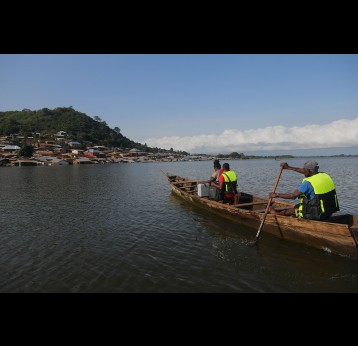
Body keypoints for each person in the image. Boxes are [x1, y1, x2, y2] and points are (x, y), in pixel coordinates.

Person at [269, 160, 340, 220]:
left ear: (309, 171)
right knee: (297, 205)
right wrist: (288, 167)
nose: (303, 171)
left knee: (291, 211)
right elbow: (303, 171)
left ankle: (276, 214)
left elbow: (292, 196)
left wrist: (277, 195)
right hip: (328, 210)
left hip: (316, 213)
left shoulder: (308, 183)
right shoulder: (324, 176)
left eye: (304, 169)